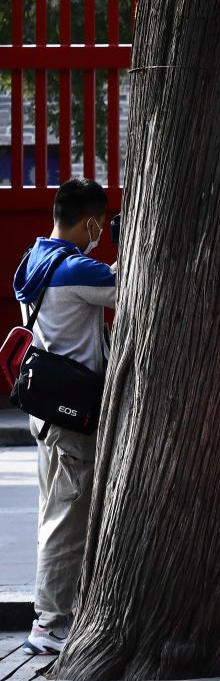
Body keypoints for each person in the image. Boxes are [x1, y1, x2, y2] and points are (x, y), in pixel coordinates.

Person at [12, 179, 115, 656]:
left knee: (54, 511)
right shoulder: (75, 269)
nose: (101, 234)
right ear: (90, 222)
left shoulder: (33, 260)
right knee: (65, 519)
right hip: (72, 415)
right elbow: (127, 287)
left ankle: (59, 616)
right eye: (100, 225)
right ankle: (50, 624)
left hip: (46, 407)